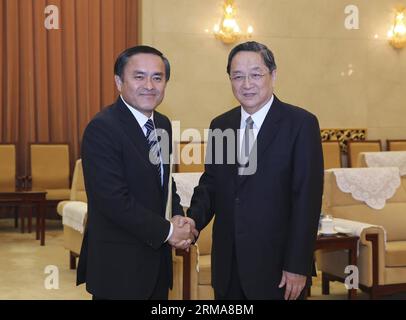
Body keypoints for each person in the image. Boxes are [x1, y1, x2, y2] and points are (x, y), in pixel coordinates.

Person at [187, 41, 324, 300]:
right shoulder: (221, 125)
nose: (246, 84)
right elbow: (212, 184)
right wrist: (193, 221)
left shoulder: (301, 124)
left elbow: (307, 200)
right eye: (238, 76)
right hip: (228, 265)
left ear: (273, 75)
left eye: (255, 74)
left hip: (278, 269)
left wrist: (297, 265)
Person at [76, 45, 197, 300]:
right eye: (139, 76)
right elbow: (113, 201)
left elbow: (165, 184)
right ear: (119, 81)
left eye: (157, 77)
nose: (149, 85)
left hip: (156, 264)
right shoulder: (102, 129)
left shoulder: (162, 124)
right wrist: (169, 232)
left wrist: (177, 215)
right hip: (119, 268)